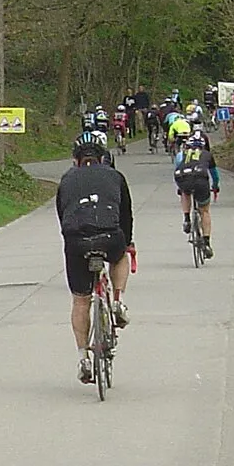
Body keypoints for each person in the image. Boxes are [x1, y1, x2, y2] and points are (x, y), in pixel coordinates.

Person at [57, 132, 134, 383]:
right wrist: (128, 242)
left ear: (75, 160)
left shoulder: (66, 180)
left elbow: (62, 215)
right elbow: (126, 216)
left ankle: (83, 358)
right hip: (110, 237)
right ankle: (117, 301)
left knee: (81, 301)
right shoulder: (115, 176)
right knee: (120, 255)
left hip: (76, 241)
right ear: (103, 157)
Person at [174, 128, 219, 256]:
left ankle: (187, 218)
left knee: (184, 192)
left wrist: (180, 187)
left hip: (182, 177)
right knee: (204, 210)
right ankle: (206, 242)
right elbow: (214, 175)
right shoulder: (207, 155)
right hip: (200, 179)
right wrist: (215, 186)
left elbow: (177, 167)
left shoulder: (181, 155)